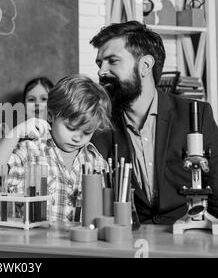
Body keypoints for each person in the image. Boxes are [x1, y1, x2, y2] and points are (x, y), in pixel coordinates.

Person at [90, 20, 218, 224]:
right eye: (99, 63)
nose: (101, 71)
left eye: (112, 61)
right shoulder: (98, 125)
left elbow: (216, 191)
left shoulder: (196, 115)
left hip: (188, 239)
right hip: (126, 242)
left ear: (145, 66)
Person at [0, 74, 112, 222]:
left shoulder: (95, 160)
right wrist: (17, 132)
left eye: (87, 132)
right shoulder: (31, 150)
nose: (77, 138)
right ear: (51, 116)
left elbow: (106, 211)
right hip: (36, 242)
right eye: (71, 128)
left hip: (81, 242)